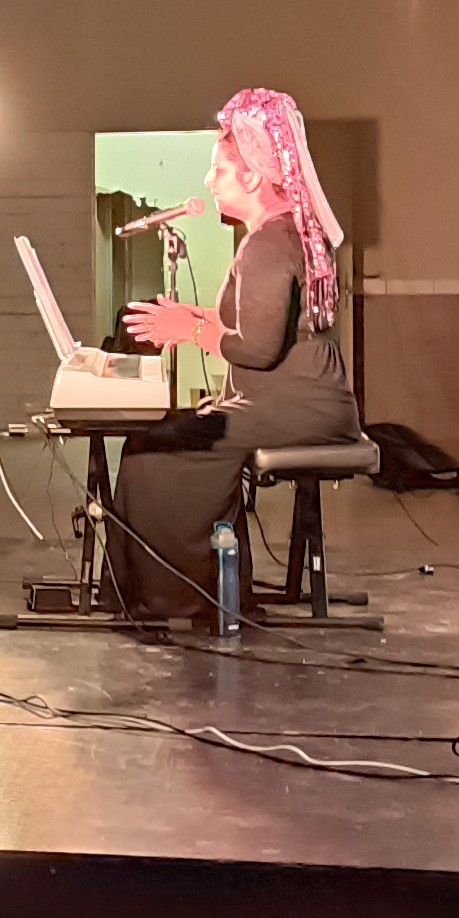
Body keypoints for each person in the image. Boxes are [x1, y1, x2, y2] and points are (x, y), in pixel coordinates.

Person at [111, 88, 361, 620]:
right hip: (300, 402)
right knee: (156, 443)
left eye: (219, 169)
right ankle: (204, 590)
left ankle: (181, 597)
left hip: (294, 409)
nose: (209, 181)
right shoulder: (279, 233)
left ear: (252, 176)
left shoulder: (270, 241)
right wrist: (192, 323)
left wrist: (194, 331)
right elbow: (258, 329)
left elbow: (258, 348)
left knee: (151, 456)